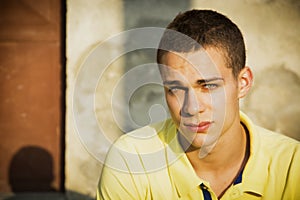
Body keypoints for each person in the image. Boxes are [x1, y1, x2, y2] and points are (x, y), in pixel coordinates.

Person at [97, 9, 300, 200]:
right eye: (175, 89)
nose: (192, 108)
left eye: (208, 86)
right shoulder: (132, 161)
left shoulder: (292, 165)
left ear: (243, 83)